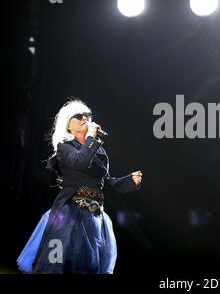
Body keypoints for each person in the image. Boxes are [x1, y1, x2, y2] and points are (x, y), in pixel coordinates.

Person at [17, 99, 143, 274]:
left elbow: (105, 181)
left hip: (95, 215)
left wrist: (129, 181)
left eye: (88, 115)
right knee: (59, 263)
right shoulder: (65, 148)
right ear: (68, 125)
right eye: (79, 116)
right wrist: (91, 138)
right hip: (70, 215)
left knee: (88, 266)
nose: (85, 118)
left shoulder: (98, 150)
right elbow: (80, 162)